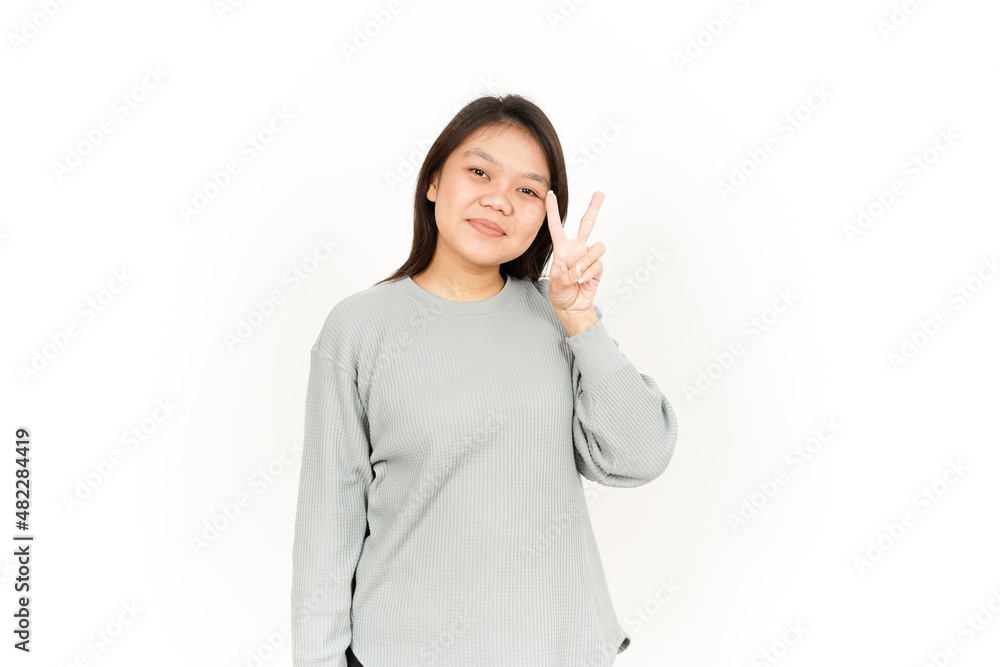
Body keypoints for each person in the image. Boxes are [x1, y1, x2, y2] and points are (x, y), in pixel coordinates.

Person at [290, 93, 679, 667]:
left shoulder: (560, 316)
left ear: (546, 214)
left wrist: (580, 320)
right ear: (432, 182)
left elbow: (640, 455)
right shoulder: (359, 328)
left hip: (553, 648)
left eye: (526, 190)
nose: (499, 200)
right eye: (479, 172)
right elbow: (328, 521)